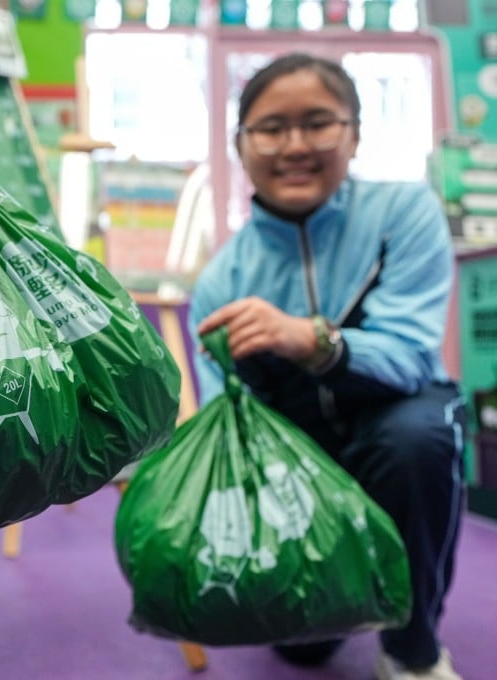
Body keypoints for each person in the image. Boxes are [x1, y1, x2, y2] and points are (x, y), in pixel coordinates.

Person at [189, 53, 466, 680]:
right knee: (304, 647)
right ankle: (333, 613)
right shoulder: (221, 282)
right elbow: (225, 427)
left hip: (390, 416)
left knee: (418, 438)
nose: (294, 146)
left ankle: (412, 650)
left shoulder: (404, 214)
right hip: (297, 454)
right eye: (270, 128)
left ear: (355, 133)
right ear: (241, 143)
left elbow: (412, 357)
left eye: (318, 123)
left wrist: (312, 339)